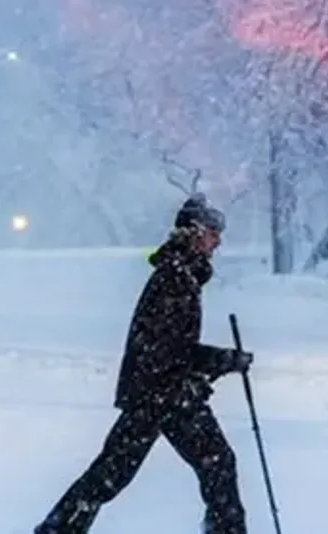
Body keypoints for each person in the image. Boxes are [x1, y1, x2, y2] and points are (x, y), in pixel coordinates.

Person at [35, 194, 253, 534]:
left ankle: (59, 528)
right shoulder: (174, 279)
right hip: (159, 394)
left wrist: (215, 363)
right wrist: (222, 360)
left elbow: (172, 349)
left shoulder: (183, 275)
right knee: (117, 472)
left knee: (211, 463)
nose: (217, 241)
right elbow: (167, 349)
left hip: (165, 392)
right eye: (212, 232)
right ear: (194, 233)